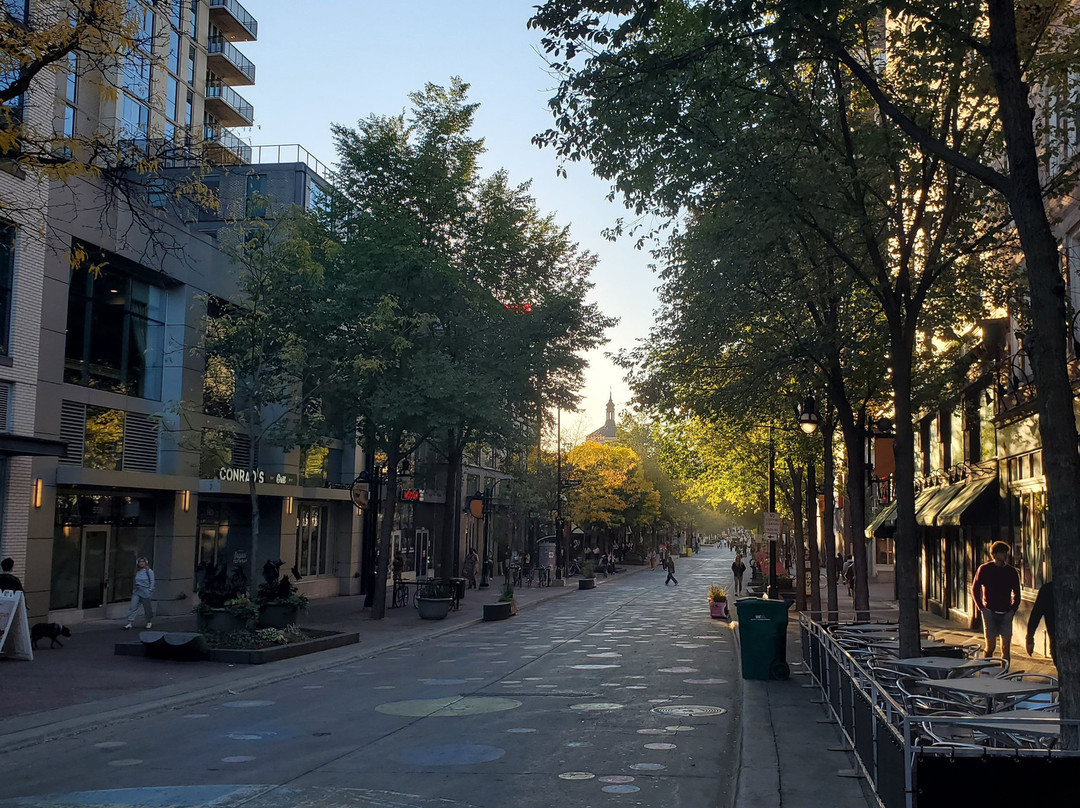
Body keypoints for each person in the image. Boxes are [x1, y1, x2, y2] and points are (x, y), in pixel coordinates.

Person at [971, 541, 1021, 662]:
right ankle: (986, 669)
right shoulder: (984, 569)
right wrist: (981, 607)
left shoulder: (1011, 571)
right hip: (990, 611)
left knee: (1006, 647)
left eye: (1006, 553)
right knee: (990, 646)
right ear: (995, 554)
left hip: (1006, 611)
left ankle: (1005, 672)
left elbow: (1017, 592)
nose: (1005, 555)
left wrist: (1013, 609)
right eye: (1002, 553)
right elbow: (974, 588)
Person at [1025, 579, 1056, 666]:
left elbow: (1035, 615)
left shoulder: (1048, 589)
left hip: (1056, 639)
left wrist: (1030, 638)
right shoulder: (1048, 590)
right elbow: (1035, 615)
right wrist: (1030, 638)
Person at [123, 556, 155, 630]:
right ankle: (130, 622)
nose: (141, 563)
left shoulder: (149, 571)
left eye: (143, 562)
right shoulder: (137, 571)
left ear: (146, 563)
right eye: (140, 562)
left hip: (145, 591)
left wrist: (150, 590)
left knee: (147, 608)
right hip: (137, 590)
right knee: (133, 606)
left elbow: (152, 581)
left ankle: (149, 622)